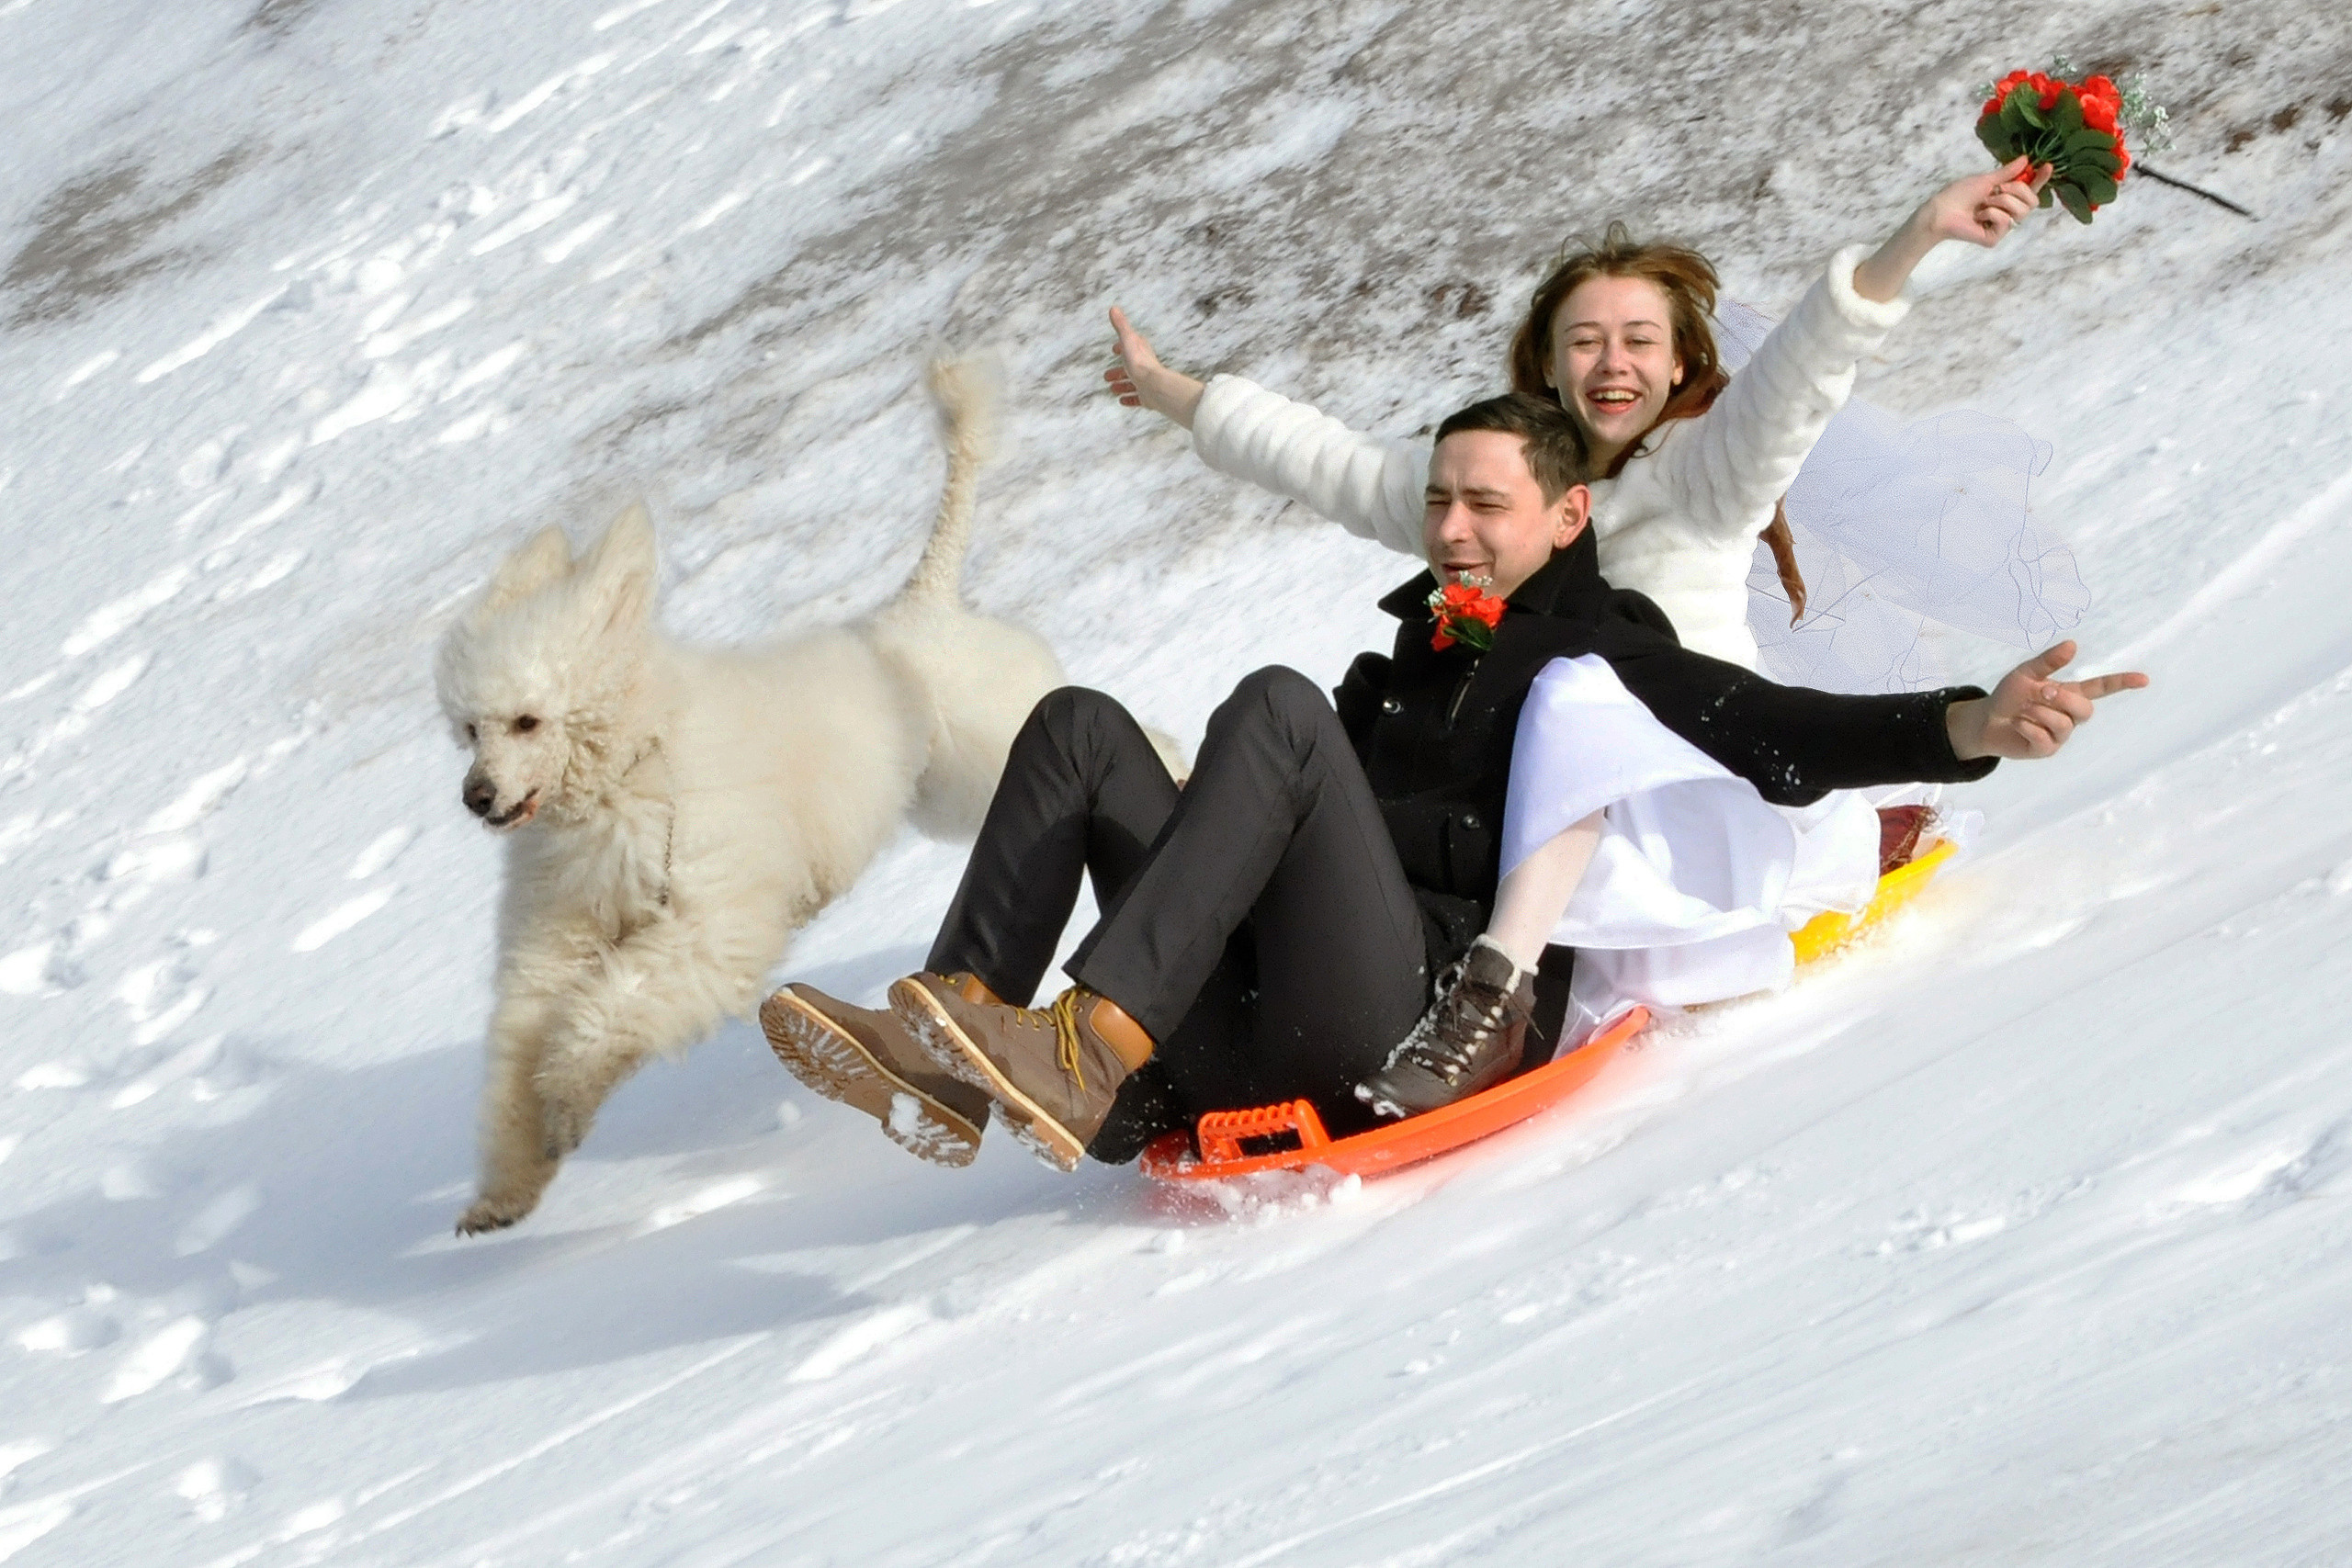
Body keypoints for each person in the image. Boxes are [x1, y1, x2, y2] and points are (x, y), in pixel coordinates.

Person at [763, 394, 2143, 1168]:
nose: (1455, 527)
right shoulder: (1395, 662)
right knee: (1073, 722)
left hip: (1405, 1015)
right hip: (1242, 1024)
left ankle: (1091, 1043)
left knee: (1275, 709)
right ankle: (956, 1041)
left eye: (1488, 503)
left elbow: (1781, 729)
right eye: (1440, 499)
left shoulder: (1606, 648)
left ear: (1566, 515)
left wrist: (1974, 721)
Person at [1104, 158, 2066, 680]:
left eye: (1639, 341)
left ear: (1683, 360)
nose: (1612, 365)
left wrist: (1917, 234)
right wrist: (1168, 392)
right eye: (1585, 342)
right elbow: (1322, 461)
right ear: (1547, 363)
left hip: (1691, 775)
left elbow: (1806, 365)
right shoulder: (1489, 488)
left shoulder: (1708, 474)